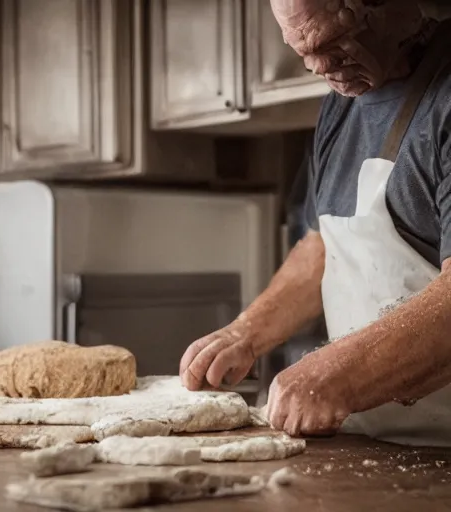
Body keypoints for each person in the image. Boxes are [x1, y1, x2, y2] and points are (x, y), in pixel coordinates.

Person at [179, 0, 451, 447]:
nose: (321, 68)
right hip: (374, 443)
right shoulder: (339, 106)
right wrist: (245, 333)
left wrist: (337, 374)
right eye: (303, 53)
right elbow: (324, 247)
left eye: (336, 44)